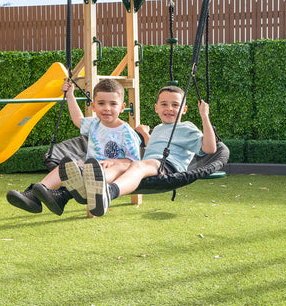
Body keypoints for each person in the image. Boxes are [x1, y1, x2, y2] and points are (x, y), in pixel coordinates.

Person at [61, 85, 217, 217]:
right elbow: (153, 149)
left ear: (184, 109)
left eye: (175, 105)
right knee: (116, 167)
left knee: (136, 165)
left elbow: (210, 148)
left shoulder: (186, 127)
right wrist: (145, 134)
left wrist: (204, 116)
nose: (169, 108)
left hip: (168, 167)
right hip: (149, 165)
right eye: (164, 104)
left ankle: (109, 193)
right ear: (156, 108)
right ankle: (85, 188)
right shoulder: (158, 129)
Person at [6, 78, 141, 216]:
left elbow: (134, 162)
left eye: (113, 104)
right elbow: (78, 119)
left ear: (122, 107)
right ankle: (34, 195)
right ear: (93, 106)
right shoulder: (94, 124)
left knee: (95, 173)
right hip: (89, 169)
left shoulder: (127, 133)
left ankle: (62, 196)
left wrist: (113, 162)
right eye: (101, 103)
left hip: (109, 174)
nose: (107, 108)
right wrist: (70, 95)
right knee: (66, 166)